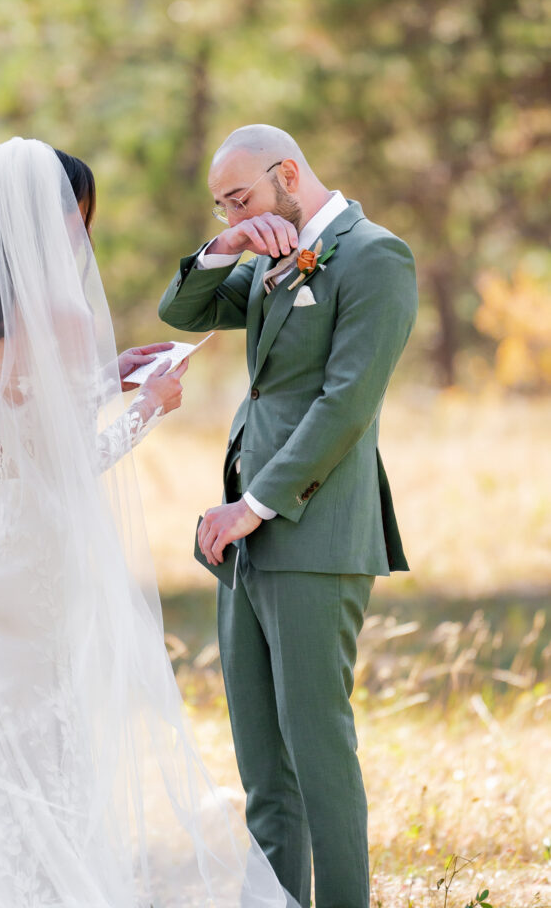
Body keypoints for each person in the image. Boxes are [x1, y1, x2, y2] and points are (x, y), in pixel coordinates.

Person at [0, 137, 297, 907]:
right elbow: (70, 461)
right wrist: (145, 409)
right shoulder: (62, 312)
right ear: (61, 214)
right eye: (80, 214)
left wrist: (105, 375)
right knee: (60, 740)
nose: (81, 231)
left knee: (1, 742)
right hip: (46, 553)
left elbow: (25, 422)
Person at [159, 124, 419, 908]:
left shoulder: (375, 256)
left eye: (241, 196)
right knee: (263, 764)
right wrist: (226, 242)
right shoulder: (271, 258)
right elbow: (184, 310)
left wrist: (254, 504)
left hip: (312, 533)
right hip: (245, 538)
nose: (233, 211)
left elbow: (346, 403)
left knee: (316, 752)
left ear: (289, 173)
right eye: (221, 203)